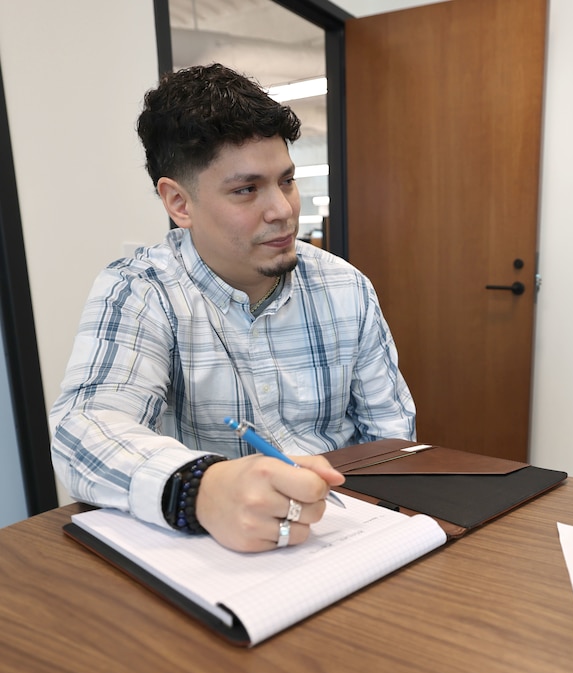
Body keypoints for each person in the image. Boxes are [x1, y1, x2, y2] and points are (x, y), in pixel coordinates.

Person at [50, 64, 415, 553]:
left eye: (286, 180)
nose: (283, 209)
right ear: (179, 203)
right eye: (247, 189)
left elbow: (392, 439)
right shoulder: (141, 289)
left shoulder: (345, 286)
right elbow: (84, 429)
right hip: (214, 547)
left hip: (343, 528)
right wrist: (202, 488)